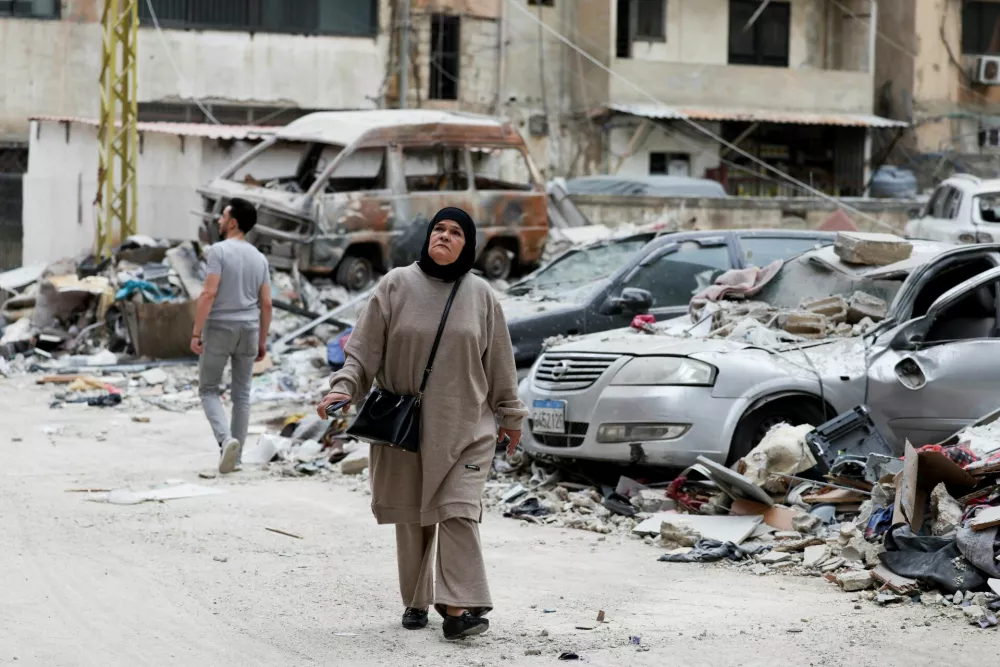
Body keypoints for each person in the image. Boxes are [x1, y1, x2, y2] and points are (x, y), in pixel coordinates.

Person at [316, 207, 527, 641]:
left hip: (467, 428)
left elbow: (501, 364)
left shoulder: (482, 295)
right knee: (414, 518)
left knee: (458, 511)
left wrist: (510, 415)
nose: (444, 236)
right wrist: (344, 388)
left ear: (467, 245)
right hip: (405, 425)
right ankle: (416, 600)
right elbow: (363, 352)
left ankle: (458, 607)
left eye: (455, 232)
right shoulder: (395, 285)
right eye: (438, 229)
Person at [191, 198, 272, 475]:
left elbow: (208, 293)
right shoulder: (259, 258)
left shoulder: (218, 251)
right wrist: (262, 340)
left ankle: (226, 441)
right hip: (249, 329)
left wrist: (196, 331)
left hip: (221, 328)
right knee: (242, 395)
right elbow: (267, 303)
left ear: (233, 222)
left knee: (209, 389)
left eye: (223, 215)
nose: (218, 220)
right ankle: (235, 461)